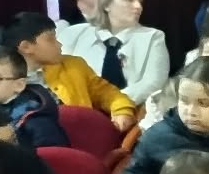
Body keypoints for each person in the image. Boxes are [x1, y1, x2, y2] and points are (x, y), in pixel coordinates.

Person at [8, 12, 136, 130]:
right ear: (26, 47)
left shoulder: (73, 66)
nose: (59, 44)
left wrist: (122, 110)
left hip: (81, 135)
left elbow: (106, 92)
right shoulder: (4, 81)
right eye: (51, 39)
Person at [61, 0, 170, 106]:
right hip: (81, 107)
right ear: (106, 5)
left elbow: (153, 82)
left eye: (140, 1)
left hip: (130, 108)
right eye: (129, 0)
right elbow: (58, 74)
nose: (138, 6)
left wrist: (113, 102)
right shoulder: (74, 34)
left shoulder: (153, 37)